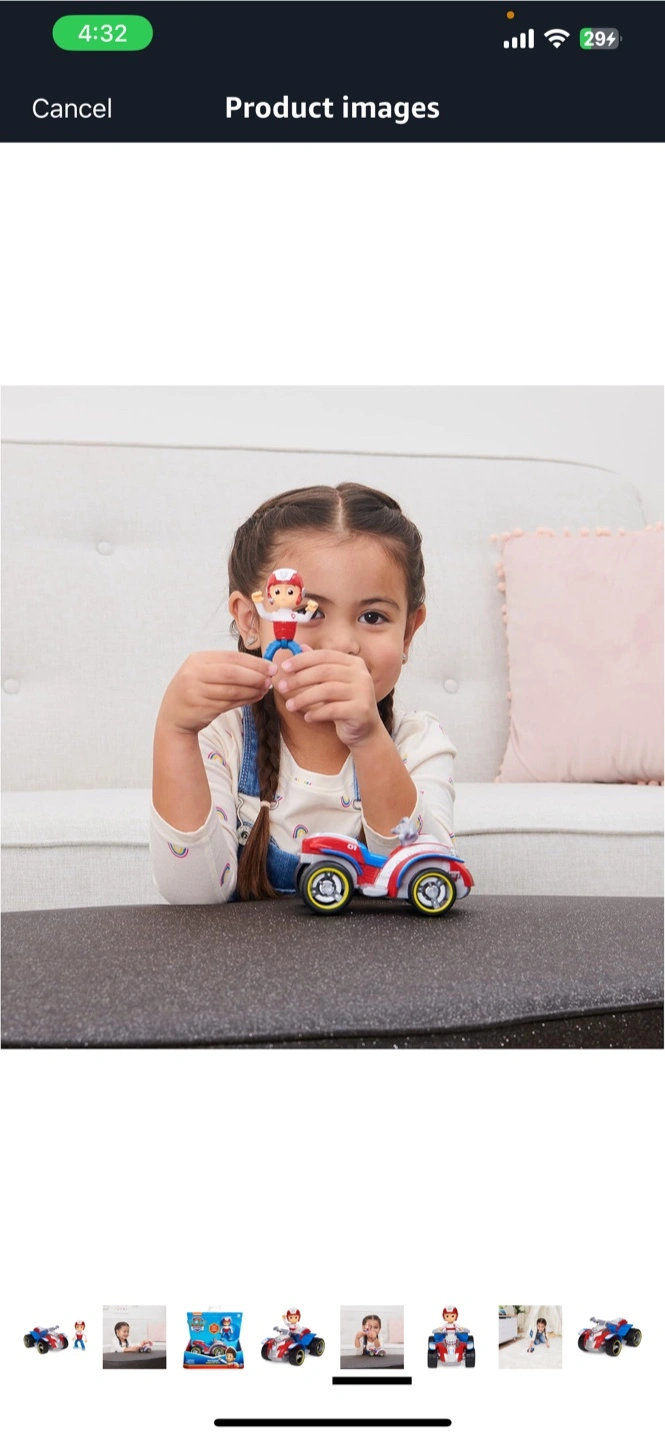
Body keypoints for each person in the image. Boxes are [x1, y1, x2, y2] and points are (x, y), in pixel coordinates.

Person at [150, 482, 457, 904]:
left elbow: (426, 882)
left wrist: (370, 740)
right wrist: (175, 732)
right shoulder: (223, 737)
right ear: (251, 621)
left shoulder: (418, 743)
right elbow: (192, 896)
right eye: (307, 611)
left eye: (372, 617)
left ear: (408, 633)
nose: (342, 644)